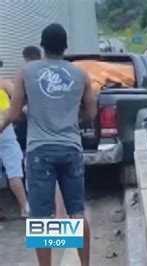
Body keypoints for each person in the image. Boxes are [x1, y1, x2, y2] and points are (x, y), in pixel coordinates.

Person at [0, 23, 97, 266]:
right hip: (71, 149)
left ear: (42, 46)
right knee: (76, 213)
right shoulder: (80, 74)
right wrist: (69, 118)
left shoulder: (27, 72)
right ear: (66, 47)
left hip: (39, 152)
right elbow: (91, 112)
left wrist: (29, 114)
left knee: (42, 218)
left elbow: (13, 114)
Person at [22, 45, 68, 219]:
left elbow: (18, 110)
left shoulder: (28, 76)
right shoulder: (55, 76)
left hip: (40, 143)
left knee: (40, 202)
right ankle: (61, 217)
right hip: (66, 142)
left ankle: (52, 225)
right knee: (63, 187)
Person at [0, 78, 29, 218]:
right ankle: (24, 208)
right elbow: (17, 105)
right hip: (4, 132)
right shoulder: (3, 84)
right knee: (14, 171)